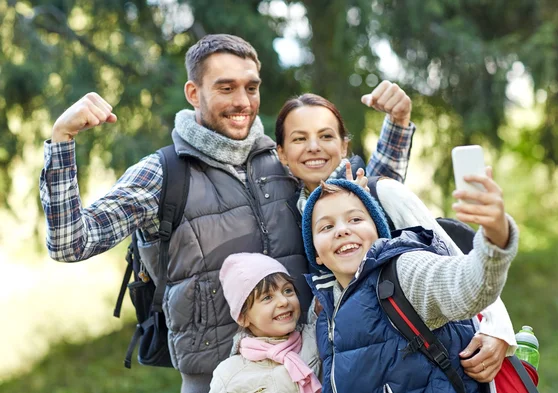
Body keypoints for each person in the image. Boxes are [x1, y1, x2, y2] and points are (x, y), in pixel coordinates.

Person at [39, 34, 413, 392]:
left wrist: (397, 123)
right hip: (216, 381)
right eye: (225, 87)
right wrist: (61, 141)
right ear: (193, 93)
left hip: (314, 371)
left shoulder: (283, 160)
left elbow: (366, 203)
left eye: (251, 87)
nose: (243, 101)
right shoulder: (162, 174)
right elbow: (71, 243)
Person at [275, 92, 518, 383]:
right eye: (300, 139)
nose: (313, 147)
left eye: (326, 136)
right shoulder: (296, 215)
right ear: (281, 153)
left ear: (344, 145)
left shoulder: (381, 192)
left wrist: (498, 330)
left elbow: (457, 267)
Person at [300, 178, 519, 392]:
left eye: (355, 220)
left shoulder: (402, 272)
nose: (342, 230)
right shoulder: (324, 312)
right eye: (327, 226)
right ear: (316, 254)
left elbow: (467, 287)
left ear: (378, 231)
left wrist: (495, 239)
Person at [209, 252, 321, 393]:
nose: (283, 301)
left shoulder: (317, 338)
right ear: (243, 318)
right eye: (267, 297)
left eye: (287, 290)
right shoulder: (229, 375)